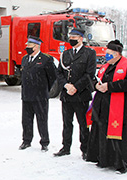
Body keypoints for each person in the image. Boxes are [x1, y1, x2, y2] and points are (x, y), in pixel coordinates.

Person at [54, 28, 96, 159]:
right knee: (67, 123)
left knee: (83, 124)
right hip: (67, 95)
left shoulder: (89, 53)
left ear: (81, 38)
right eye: (70, 36)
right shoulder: (65, 54)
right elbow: (59, 72)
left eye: (74, 37)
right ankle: (65, 147)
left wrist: (75, 87)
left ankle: (85, 149)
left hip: (81, 95)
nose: (71, 39)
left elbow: (89, 74)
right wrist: (66, 86)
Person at [86, 40, 127, 174]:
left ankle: (119, 163)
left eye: (109, 54)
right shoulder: (105, 66)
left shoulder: (124, 65)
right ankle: (103, 158)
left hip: (118, 106)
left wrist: (109, 87)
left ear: (117, 54)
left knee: (117, 135)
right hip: (102, 105)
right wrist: (96, 85)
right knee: (102, 131)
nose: (106, 56)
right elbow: (96, 78)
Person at [19, 35, 57, 151]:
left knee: (42, 119)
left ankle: (44, 142)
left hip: (40, 96)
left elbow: (52, 76)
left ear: (36, 46)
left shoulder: (46, 59)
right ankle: (26, 140)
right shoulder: (25, 59)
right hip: (27, 95)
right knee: (26, 120)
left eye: (29, 46)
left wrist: (44, 88)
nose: (27, 47)